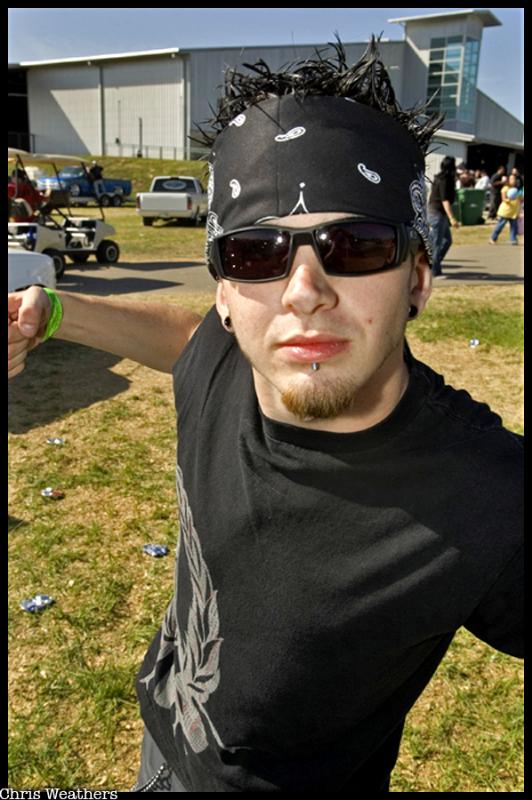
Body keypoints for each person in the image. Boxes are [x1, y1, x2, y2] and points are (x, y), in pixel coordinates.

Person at [8, 39, 523, 793]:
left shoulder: (488, 497)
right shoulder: (221, 361)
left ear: (417, 278)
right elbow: (184, 340)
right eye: (256, 253)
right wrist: (50, 312)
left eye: (356, 245)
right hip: (162, 746)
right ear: (224, 294)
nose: (303, 292)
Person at [427, 156, 460, 278]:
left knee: (447, 241)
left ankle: (433, 264)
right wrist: (452, 218)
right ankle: (433, 271)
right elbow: (445, 200)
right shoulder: (443, 180)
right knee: (436, 243)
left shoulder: (442, 178)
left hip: (438, 213)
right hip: (437, 214)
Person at [489, 173, 523, 246]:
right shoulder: (505, 188)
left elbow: (520, 199)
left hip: (514, 212)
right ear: (508, 180)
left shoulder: (517, 190)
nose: (514, 181)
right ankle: (493, 238)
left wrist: (520, 198)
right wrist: (510, 199)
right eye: (512, 179)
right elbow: (504, 199)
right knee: (500, 225)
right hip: (506, 211)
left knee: (514, 227)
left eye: (515, 179)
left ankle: (513, 240)